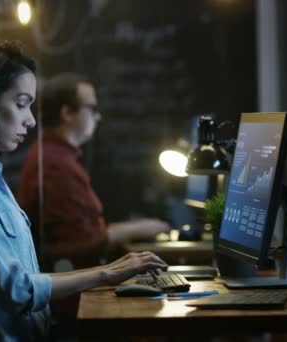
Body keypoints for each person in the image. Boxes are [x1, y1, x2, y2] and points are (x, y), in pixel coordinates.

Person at [0, 41, 167, 341]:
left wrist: (112, 271)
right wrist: (107, 274)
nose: (31, 120)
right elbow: (15, 291)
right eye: (21, 104)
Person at [16, 73, 171, 272]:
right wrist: (142, 228)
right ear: (67, 113)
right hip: (72, 289)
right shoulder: (56, 164)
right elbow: (83, 242)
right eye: (92, 108)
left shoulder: (56, 156)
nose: (98, 117)